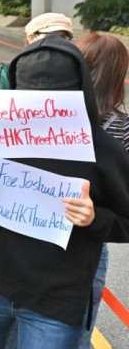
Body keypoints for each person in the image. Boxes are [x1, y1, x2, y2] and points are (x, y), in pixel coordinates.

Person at [0, 33, 129, 349]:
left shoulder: (104, 151)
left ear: (78, 93)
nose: (41, 111)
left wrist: (94, 218)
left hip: (56, 300)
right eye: (30, 98)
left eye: (55, 102)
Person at [72, 34, 128, 349]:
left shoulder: (43, 116)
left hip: (26, 236)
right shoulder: (122, 128)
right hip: (89, 246)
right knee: (75, 333)